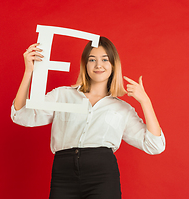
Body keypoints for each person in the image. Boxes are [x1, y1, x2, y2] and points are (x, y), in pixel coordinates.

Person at [11, 37, 165, 199]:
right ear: (85, 64)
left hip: (102, 176)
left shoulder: (122, 109)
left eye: (105, 59)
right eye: (92, 59)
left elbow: (155, 145)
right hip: (64, 175)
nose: (98, 65)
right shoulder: (62, 95)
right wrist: (29, 71)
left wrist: (145, 102)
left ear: (113, 65)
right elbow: (21, 116)